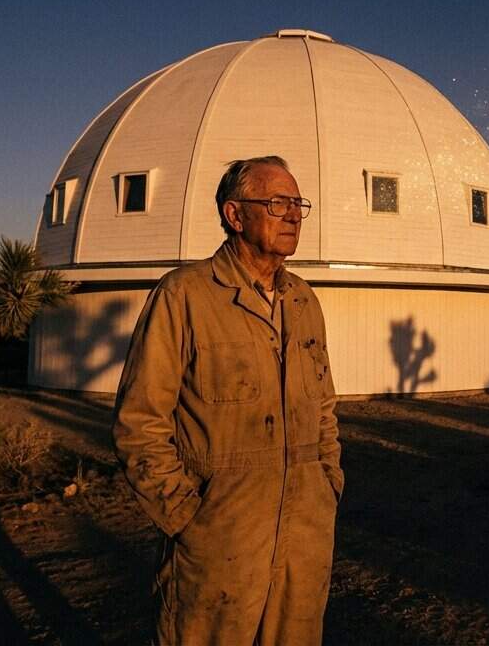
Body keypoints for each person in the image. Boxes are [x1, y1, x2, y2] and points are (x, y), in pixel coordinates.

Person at [113, 156, 343, 645]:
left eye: (298, 204)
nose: (293, 215)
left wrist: (327, 483)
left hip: (304, 539)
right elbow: (139, 423)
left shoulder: (304, 301)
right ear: (235, 215)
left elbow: (324, 409)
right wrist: (188, 519)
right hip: (218, 545)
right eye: (277, 203)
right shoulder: (185, 296)